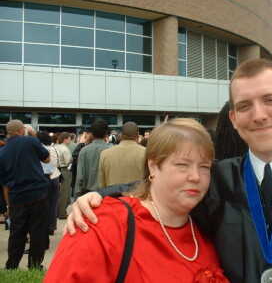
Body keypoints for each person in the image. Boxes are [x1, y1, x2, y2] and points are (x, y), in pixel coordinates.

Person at [67, 59, 272, 282]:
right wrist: (101, 196)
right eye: (244, 106)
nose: (258, 115)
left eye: (270, 100)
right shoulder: (218, 180)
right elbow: (161, 191)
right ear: (233, 119)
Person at [45, 118, 229, 282]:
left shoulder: (208, 227)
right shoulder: (102, 224)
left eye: (204, 167)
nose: (196, 176)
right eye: (182, 165)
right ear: (153, 166)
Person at [0, 120, 50, 269]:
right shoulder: (30, 141)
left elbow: (5, 185)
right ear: (21, 130)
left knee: (17, 233)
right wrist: (34, 135)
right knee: (37, 232)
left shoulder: (3, 152)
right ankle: (34, 265)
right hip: (38, 194)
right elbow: (46, 158)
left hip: (17, 198)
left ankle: (12, 265)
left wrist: (9, 205)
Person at [98, 121, 146, 188]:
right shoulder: (146, 153)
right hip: (136, 197)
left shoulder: (105, 154)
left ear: (122, 135)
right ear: (137, 136)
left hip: (112, 196)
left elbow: (102, 184)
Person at [75, 119, 112, 197]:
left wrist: (78, 192)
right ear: (106, 133)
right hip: (108, 192)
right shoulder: (112, 150)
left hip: (89, 192)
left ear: (92, 133)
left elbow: (80, 176)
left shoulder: (84, 151)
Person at [57, 132, 73, 219]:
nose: (70, 141)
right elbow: (69, 164)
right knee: (65, 193)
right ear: (65, 139)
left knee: (59, 193)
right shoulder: (65, 150)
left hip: (57, 170)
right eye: (69, 139)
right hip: (65, 171)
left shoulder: (56, 147)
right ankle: (62, 212)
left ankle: (58, 211)